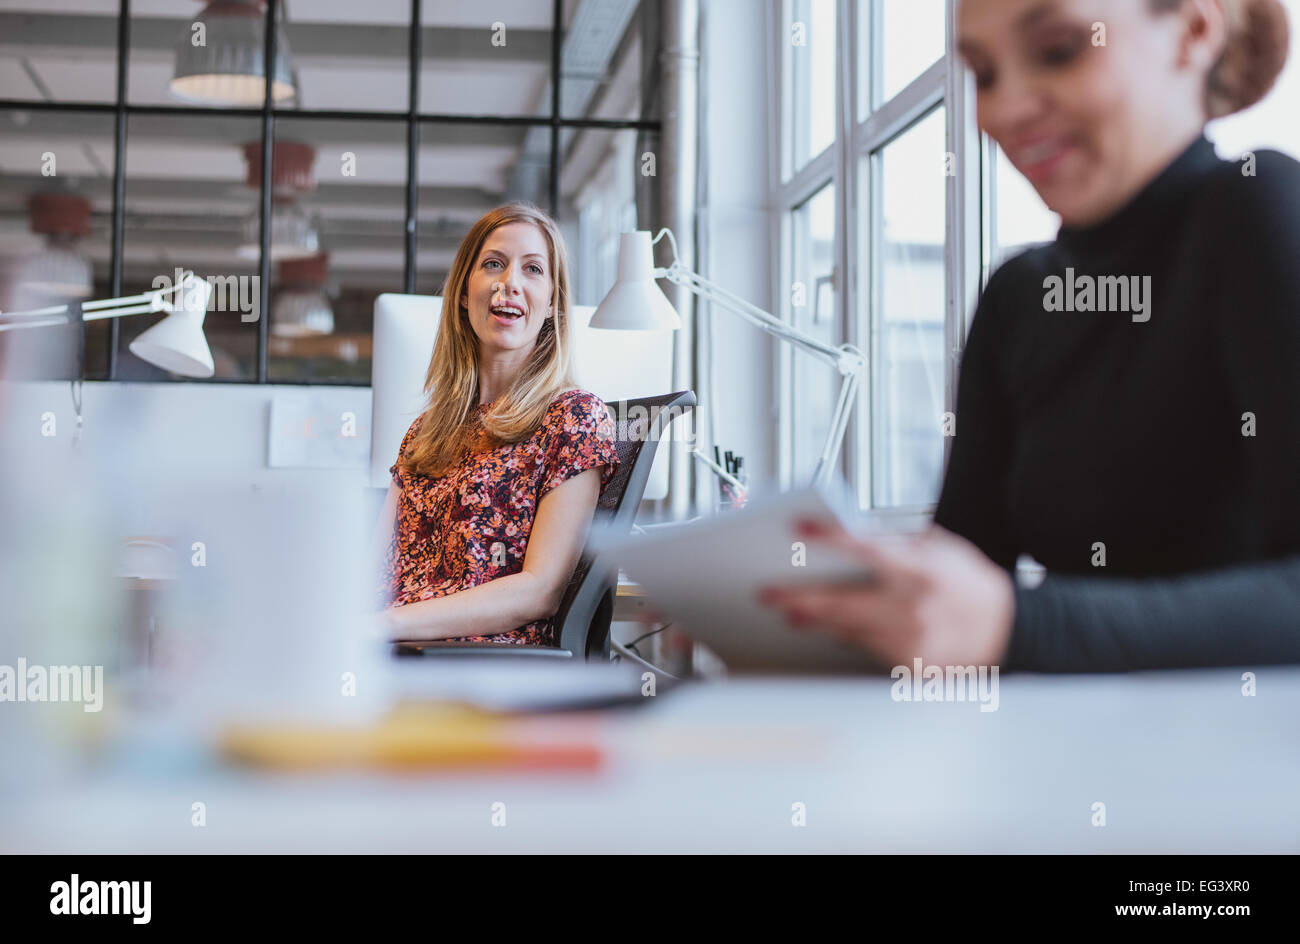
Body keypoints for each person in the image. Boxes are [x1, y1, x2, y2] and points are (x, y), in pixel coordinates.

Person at [759, 0, 1300, 671]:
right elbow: (960, 581)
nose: (1003, 111)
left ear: (1191, 34)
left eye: (1060, 50)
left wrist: (1020, 627)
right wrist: (811, 615)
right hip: (1063, 753)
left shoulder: (1260, 209)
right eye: (983, 75)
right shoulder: (1019, 295)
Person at [372, 202, 619, 646]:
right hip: (389, 656)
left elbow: (539, 592)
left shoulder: (574, 418)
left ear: (552, 305)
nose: (510, 283)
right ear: (464, 293)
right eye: (493, 264)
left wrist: (382, 627)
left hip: (479, 667)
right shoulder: (425, 433)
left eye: (532, 270)